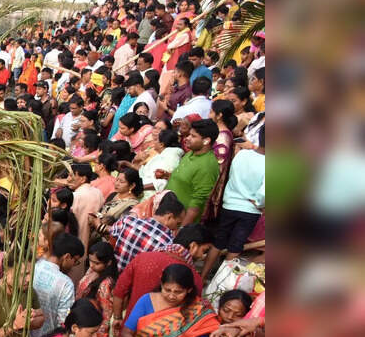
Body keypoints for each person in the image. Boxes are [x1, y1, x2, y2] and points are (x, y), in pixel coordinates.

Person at [121, 263, 219, 337]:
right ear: (161, 285)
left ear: (189, 290)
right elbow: (126, 332)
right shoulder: (147, 300)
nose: (172, 296)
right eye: (167, 290)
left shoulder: (197, 311)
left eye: (178, 292)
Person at [111, 223, 212, 323]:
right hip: (164, 336)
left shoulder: (143, 258)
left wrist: (117, 318)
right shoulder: (194, 278)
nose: (203, 256)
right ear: (193, 246)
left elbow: (119, 291)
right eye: (204, 250)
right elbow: (191, 313)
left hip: (128, 328)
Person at [202, 126, 265, 279]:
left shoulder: (242, 154)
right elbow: (264, 193)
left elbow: (232, 175)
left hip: (229, 203)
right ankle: (218, 282)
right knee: (235, 246)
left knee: (218, 242)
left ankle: (202, 276)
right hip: (250, 210)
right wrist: (258, 202)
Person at [159, 118, 220, 226]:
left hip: (175, 222)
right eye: (189, 135)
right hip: (165, 212)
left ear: (206, 140)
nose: (187, 138)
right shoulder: (190, 154)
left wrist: (181, 231)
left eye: (193, 136)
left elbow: (197, 203)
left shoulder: (207, 166)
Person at [107, 192, 185, 271]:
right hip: (137, 282)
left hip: (114, 274)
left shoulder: (127, 221)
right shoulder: (168, 244)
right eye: (178, 223)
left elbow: (111, 233)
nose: (176, 228)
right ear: (169, 217)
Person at [31, 233, 84, 337]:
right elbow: (64, 321)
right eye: (75, 261)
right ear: (67, 257)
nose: (74, 265)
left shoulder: (33, 267)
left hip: (23, 336)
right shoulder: (66, 284)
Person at [76, 241, 118, 337]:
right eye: (90, 261)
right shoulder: (92, 270)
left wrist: (97, 336)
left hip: (90, 328)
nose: (91, 265)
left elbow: (106, 314)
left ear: (108, 263)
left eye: (96, 263)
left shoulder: (105, 285)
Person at [66, 163, 105, 251]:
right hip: (92, 243)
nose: (68, 179)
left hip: (74, 242)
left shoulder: (75, 196)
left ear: (83, 179)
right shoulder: (98, 193)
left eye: (71, 176)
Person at [139, 128, 183, 194]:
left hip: (151, 195)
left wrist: (139, 188)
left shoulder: (171, 156)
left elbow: (163, 182)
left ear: (161, 144)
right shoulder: (163, 154)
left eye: (156, 140)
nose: (153, 142)